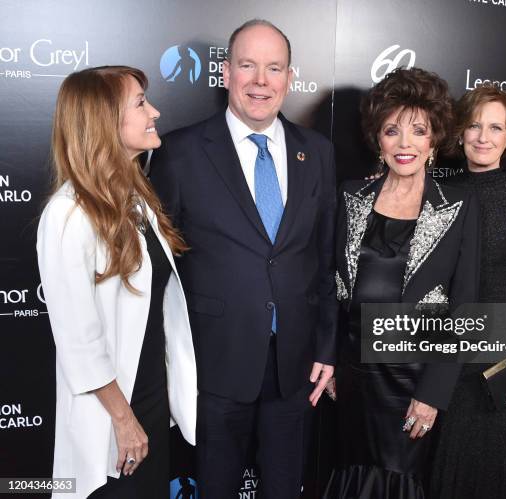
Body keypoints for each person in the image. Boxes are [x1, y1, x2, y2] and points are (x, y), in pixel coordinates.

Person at [149, 19, 337, 499]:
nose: (260, 80)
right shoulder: (180, 152)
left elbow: (326, 256)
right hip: (214, 362)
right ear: (226, 73)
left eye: (273, 68)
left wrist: (326, 347)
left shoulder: (316, 151)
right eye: (248, 65)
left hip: (294, 367)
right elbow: (155, 267)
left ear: (289, 78)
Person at [37, 66, 198, 499]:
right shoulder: (67, 215)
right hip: (112, 416)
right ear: (106, 120)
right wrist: (123, 421)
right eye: (141, 103)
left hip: (149, 402)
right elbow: (78, 340)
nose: (156, 112)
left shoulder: (136, 200)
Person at [324, 67, 480, 499]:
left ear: (434, 141)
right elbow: (333, 291)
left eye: (418, 130)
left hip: (411, 383)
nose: (405, 143)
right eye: (393, 130)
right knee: (351, 478)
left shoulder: (458, 208)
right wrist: (333, 360)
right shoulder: (351, 195)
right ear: (378, 139)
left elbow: (464, 309)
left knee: (398, 480)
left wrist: (432, 394)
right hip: (355, 380)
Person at [430, 85, 506, 499]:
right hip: (432, 350)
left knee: (479, 472)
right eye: (475, 125)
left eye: (495, 127)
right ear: (460, 132)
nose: (483, 136)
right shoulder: (435, 191)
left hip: (491, 361)